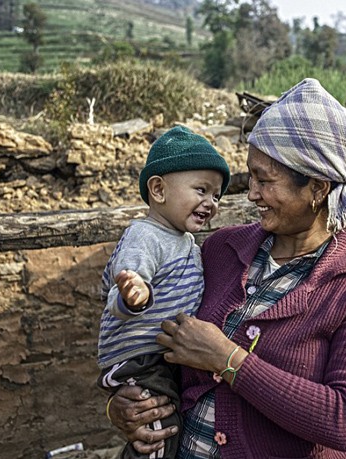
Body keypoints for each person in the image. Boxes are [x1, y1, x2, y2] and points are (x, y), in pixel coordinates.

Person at [106, 78, 346, 459]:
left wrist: (227, 359)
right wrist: (123, 404)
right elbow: (153, 335)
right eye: (251, 176)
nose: (251, 193)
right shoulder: (221, 250)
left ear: (317, 187)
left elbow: (345, 421)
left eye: (265, 180)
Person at [98, 125, 231, 459]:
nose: (211, 203)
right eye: (201, 190)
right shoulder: (145, 237)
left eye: (216, 195)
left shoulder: (184, 240)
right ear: (158, 189)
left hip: (161, 355)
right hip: (140, 359)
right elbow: (117, 293)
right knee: (157, 426)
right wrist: (134, 295)